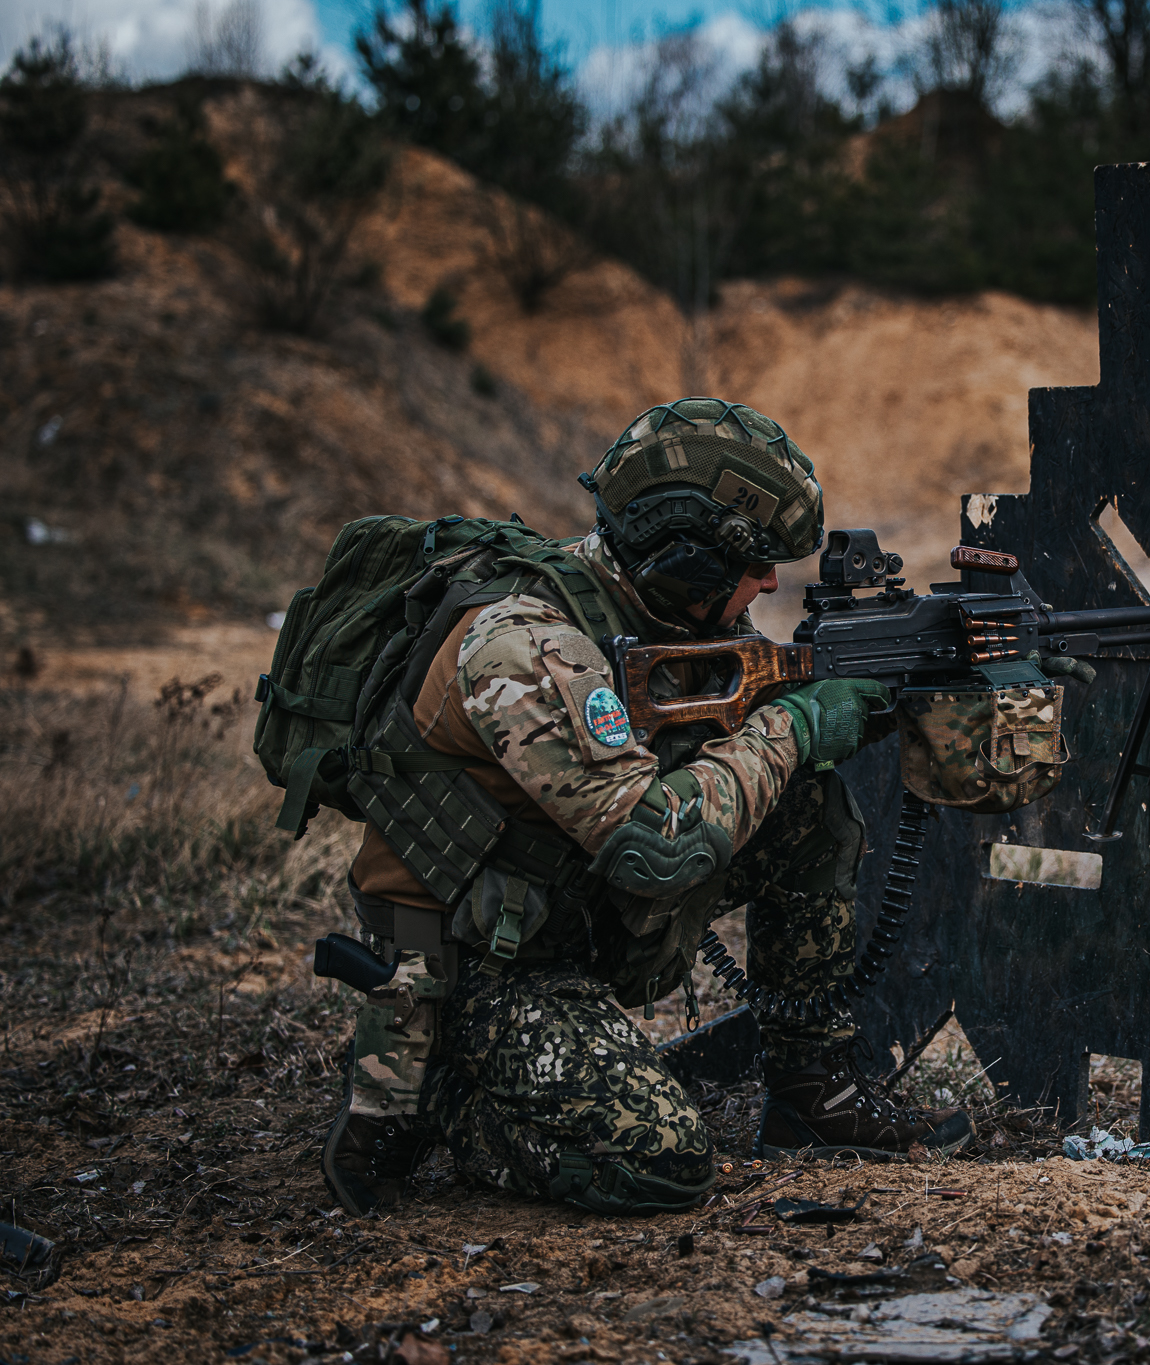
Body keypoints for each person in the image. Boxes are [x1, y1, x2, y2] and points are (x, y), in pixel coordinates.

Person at [321, 398, 972, 1217]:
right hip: (478, 963)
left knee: (805, 806)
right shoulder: (527, 648)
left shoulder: (657, 612)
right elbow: (652, 846)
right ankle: (441, 1093)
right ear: (686, 558)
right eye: (756, 562)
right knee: (660, 1162)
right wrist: (799, 724)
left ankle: (815, 1092)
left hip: (571, 913)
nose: (771, 582)